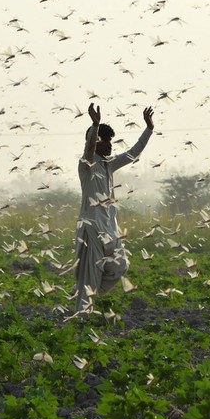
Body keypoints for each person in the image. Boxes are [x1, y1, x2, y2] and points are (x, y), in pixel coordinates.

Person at [73, 103, 154, 314]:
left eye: (110, 141)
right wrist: (95, 125)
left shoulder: (110, 165)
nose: (109, 145)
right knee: (89, 276)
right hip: (91, 230)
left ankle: (83, 292)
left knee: (120, 266)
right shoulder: (86, 164)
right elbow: (89, 149)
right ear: (95, 143)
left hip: (109, 229)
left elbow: (133, 153)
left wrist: (149, 129)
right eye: (104, 141)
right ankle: (82, 315)